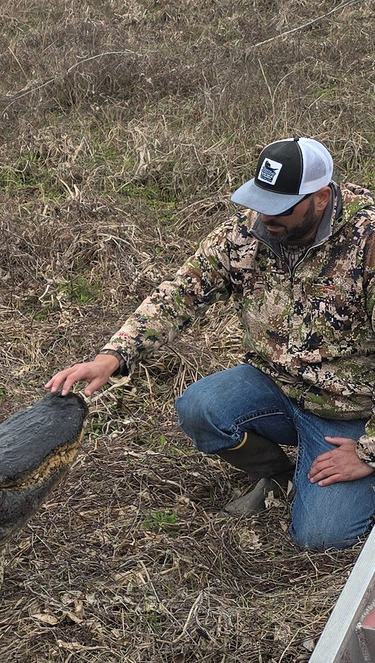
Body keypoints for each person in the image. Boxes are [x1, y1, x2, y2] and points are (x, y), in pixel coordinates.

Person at [46, 137, 375, 550]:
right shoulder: (244, 234)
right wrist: (113, 356)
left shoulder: (367, 243)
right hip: (276, 385)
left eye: (281, 208)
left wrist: (366, 453)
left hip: (350, 415)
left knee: (323, 538)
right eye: (260, 201)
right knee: (201, 409)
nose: (265, 217)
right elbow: (179, 293)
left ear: (322, 197)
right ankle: (279, 472)